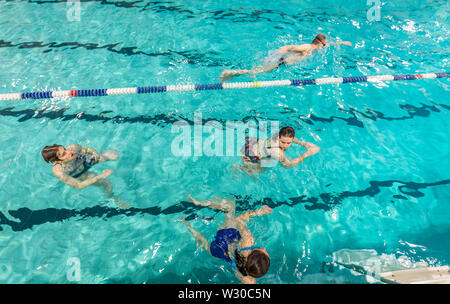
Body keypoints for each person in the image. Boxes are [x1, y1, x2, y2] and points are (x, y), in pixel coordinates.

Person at [181, 194, 272, 284]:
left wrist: (258, 212)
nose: (264, 249)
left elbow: (239, 219)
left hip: (226, 236)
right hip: (219, 252)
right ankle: (191, 229)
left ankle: (201, 203)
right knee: (204, 243)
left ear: (254, 253)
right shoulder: (248, 279)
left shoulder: (248, 241)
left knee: (230, 205)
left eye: (264, 252)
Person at [219, 34, 352, 82]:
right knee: (256, 71)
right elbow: (292, 46)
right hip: (280, 63)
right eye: (324, 44)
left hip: (281, 63)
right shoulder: (307, 47)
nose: (325, 46)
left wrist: (341, 43)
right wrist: (285, 48)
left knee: (257, 70)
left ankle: (234, 73)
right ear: (319, 43)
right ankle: (230, 73)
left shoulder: (315, 46)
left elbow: (328, 43)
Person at [41, 144, 130, 209]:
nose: (69, 152)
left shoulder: (73, 148)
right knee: (107, 184)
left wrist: (95, 154)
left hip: (86, 160)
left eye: (64, 149)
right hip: (79, 174)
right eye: (63, 154)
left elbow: (87, 149)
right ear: (58, 161)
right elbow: (79, 185)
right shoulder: (60, 171)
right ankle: (114, 199)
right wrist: (101, 176)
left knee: (114, 155)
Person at [233, 126, 320, 177]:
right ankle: (242, 168)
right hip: (250, 156)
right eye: (282, 142)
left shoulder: (276, 135)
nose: (285, 145)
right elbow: (288, 165)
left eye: (288, 143)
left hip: (251, 144)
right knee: (261, 171)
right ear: (279, 138)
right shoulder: (278, 152)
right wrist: (306, 154)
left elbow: (289, 138)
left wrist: (302, 143)